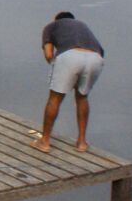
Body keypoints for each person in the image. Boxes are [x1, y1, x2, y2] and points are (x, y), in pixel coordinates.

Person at [34, 11, 104, 153]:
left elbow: (48, 54)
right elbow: (101, 51)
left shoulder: (51, 26)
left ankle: (44, 141)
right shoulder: (83, 26)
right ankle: (81, 142)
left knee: (55, 98)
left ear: (57, 20)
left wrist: (60, 69)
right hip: (96, 58)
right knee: (82, 97)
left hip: (70, 56)